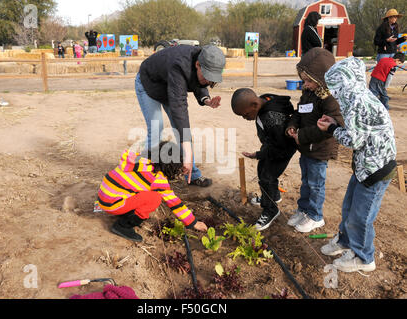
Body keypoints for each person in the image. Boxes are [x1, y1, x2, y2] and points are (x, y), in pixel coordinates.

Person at [317, 56, 397, 273]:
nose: (333, 92)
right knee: (349, 207)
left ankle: (364, 257)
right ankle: (345, 242)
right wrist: (335, 123)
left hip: (376, 169)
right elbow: (359, 133)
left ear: (343, 83)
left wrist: (332, 130)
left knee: (361, 216)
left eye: (335, 86)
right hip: (366, 165)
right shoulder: (358, 96)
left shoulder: (356, 101)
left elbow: (354, 140)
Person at [135, 44, 226, 187]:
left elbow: (198, 82)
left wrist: (206, 100)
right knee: (156, 128)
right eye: (208, 76)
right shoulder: (179, 64)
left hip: (168, 87)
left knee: (182, 132)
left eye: (212, 78)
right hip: (149, 83)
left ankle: (192, 175)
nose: (209, 81)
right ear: (197, 65)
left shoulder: (200, 60)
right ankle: (145, 178)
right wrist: (187, 154)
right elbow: (179, 109)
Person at [96, 141, 208, 242]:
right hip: (112, 204)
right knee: (154, 198)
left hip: (104, 196)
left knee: (141, 190)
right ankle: (123, 226)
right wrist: (193, 223)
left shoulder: (140, 160)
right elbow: (174, 203)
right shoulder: (157, 179)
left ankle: (125, 212)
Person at [285, 48, 344, 233]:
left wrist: (301, 136)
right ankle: (303, 210)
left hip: (319, 150)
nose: (306, 83)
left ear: (322, 79)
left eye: (309, 80)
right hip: (305, 147)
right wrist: (292, 125)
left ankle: (315, 216)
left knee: (316, 184)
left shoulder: (330, 99)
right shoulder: (308, 92)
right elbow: (299, 111)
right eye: (303, 79)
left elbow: (330, 128)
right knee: (305, 181)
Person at [231, 88, 296, 231]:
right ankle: (273, 195)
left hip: (282, 151)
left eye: (246, 114)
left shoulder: (270, 118)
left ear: (254, 105)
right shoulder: (266, 100)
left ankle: (271, 209)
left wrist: (258, 154)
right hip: (274, 146)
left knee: (267, 177)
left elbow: (278, 145)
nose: (245, 118)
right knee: (263, 170)